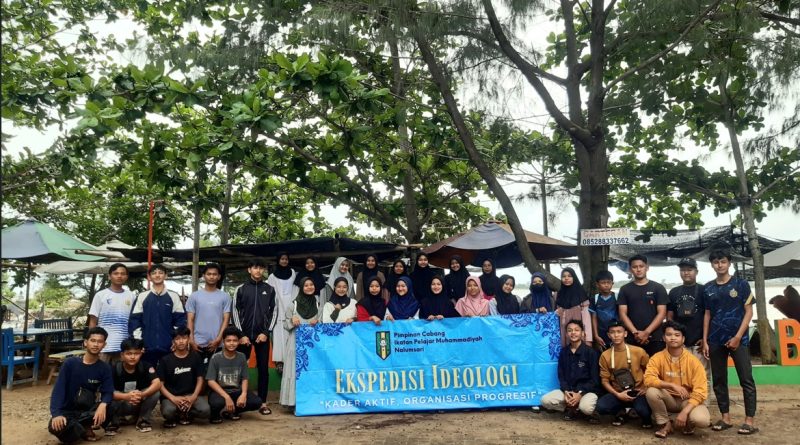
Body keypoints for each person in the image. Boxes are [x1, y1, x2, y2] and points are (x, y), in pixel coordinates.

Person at [702, 249, 758, 435]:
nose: (720, 265)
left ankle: (749, 421)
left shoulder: (741, 284)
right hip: (715, 339)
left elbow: (749, 312)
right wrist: (705, 340)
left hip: (739, 339)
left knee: (746, 379)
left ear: (729, 263)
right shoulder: (708, 288)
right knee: (719, 380)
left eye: (723, 261)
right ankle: (725, 418)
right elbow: (707, 314)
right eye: (716, 262)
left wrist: (737, 337)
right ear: (712, 264)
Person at [644, 320, 711, 439]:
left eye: (677, 335)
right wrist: (671, 385)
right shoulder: (657, 358)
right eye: (669, 335)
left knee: (702, 420)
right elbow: (648, 379)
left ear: (683, 339)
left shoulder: (694, 361)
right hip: (668, 398)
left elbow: (701, 391)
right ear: (664, 338)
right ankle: (665, 424)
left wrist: (685, 412)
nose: (673, 338)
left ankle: (688, 424)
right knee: (651, 391)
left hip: (687, 400)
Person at [48, 327, 114, 443]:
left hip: (87, 411)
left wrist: (103, 405)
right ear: (85, 342)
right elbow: (59, 390)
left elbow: (108, 391)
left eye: (100, 342)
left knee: (111, 406)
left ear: (104, 345)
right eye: (93, 340)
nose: (96, 344)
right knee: (56, 428)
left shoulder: (105, 368)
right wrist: (56, 414)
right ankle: (82, 429)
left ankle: (84, 426)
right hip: (67, 411)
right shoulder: (70, 364)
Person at [231, 258, 276, 416]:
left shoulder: (270, 289)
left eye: (261, 268)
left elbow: (274, 312)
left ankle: (262, 403)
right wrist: (241, 335)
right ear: (249, 270)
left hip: (262, 337)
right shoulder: (241, 289)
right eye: (255, 267)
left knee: (263, 370)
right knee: (239, 370)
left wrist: (266, 332)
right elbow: (235, 312)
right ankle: (236, 403)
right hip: (243, 337)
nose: (258, 271)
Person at [667, 258, 710, 399]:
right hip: (680, 344)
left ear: (696, 272)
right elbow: (670, 317)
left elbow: (710, 316)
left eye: (689, 270)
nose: (686, 273)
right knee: (680, 376)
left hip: (699, 343)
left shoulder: (704, 290)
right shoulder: (674, 292)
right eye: (683, 270)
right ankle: (682, 404)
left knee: (703, 376)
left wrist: (705, 339)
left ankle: (703, 405)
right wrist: (673, 338)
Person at [540, 320, 599, 422]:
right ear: (566, 334)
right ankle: (571, 408)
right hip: (569, 391)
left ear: (582, 333)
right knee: (545, 400)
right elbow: (561, 376)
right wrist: (566, 391)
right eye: (570, 330)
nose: (573, 333)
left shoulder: (591, 352)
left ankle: (582, 409)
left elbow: (595, 380)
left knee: (586, 408)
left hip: (586, 392)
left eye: (577, 330)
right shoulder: (563, 352)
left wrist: (580, 394)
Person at [596, 321, 652, 428]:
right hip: (619, 392)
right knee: (601, 407)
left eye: (619, 332)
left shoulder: (638, 351)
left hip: (638, 392)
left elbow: (651, 372)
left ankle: (645, 417)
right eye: (612, 332)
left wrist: (646, 387)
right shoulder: (605, 355)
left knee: (643, 411)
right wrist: (617, 394)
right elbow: (604, 380)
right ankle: (621, 412)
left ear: (625, 334)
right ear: (608, 335)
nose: (616, 335)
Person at [129, 264, 187, 366]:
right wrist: (138, 342)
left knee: (167, 374)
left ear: (166, 276)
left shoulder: (173, 296)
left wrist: (176, 341)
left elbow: (180, 320)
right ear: (149, 277)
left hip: (168, 347)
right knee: (149, 374)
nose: (157, 275)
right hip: (146, 347)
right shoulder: (142, 296)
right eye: (154, 273)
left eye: (160, 273)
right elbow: (135, 321)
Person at [206, 326, 263, 423]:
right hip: (219, 392)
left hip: (236, 391)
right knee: (216, 403)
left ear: (239, 341)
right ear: (223, 341)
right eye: (228, 341)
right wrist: (226, 397)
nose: (231, 343)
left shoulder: (242, 357)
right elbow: (210, 381)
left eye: (235, 340)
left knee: (257, 402)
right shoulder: (216, 358)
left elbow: (245, 378)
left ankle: (232, 411)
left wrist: (243, 394)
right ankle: (215, 414)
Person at [280, 277, 321, 409]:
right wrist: (292, 320)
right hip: (295, 344)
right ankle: (293, 402)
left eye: (311, 284)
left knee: (311, 370)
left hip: (313, 345)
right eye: (306, 285)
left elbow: (323, 322)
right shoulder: (293, 305)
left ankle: (311, 402)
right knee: (294, 370)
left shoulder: (318, 304)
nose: (309, 287)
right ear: (301, 288)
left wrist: (318, 322)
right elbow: (285, 325)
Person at [157, 326, 210, 428]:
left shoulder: (195, 357)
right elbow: (160, 385)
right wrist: (173, 398)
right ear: (173, 341)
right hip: (172, 396)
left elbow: (200, 379)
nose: (181, 341)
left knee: (205, 411)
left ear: (189, 339)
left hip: (191, 395)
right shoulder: (165, 360)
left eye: (184, 338)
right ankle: (178, 414)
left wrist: (193, 396)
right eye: (177, 339)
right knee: (168, 412)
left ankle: (187, 413)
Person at [107, 338, 161, 434]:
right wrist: (126, 396)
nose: (133, 357)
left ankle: (143, 421)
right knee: (109, 395)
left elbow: (157, 383)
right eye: (129, 354)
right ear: (122, 355)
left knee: (155, 392)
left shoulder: (146, 366)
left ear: (141, 354)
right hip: (121, 404)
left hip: (138, 402)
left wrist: (142, 394)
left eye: (136, 353)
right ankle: (114, 423)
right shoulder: (114, 369)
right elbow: (106, 391)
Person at [618, 255, 669, 356]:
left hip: (655, 338)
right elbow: (622, 314)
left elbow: (662, 313)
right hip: (632, 338)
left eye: (641, 266)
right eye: (635, 267)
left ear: (647, 267)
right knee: (633, 366)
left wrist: (647, 332)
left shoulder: (658, 288)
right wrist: (635, 333)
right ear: (630, 269)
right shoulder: (624, 289)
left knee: (656, 366)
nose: (638, 269)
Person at [186, 263, 231, 371]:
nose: (211, 276)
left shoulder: (225, 297)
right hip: (197, 343)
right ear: (203, 276)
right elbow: (190, 319)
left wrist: (219, 339)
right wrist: (191, 340)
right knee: (197, 374)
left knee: (215, 374)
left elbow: (226, 319)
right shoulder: (194, 296)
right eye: (209, 274)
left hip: (217, 343)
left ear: (219, 277)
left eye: (214, 274)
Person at [88, 263, 135, 362]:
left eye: (122, 274)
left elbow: (135, 321)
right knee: (100, 370)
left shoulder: (131, 296)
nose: (119, 276)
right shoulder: (100, 295)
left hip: (124, 345)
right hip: (103, 345)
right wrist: (92, 341)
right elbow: (93, 321)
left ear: (126, 277)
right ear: (109, 276)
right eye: (116, 273)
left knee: (121, 371)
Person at [267, 253, 296, 373]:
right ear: (278, 260)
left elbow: (295, 289)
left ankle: (291, 361)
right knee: (279, 335)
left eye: (286, 259)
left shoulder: (292, 273)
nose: (284, 261)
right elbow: (271, 294)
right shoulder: (272, 277)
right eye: (282, 259)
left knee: (291, 334)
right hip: (278, 308)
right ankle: (280, 362)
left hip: (291, 306)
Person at [556, 268, 593, 346]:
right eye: (563, 276)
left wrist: (588, 338)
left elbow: (586, 319)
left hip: (580, 334)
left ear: (574, 278)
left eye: (569, 276)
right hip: (565, 334)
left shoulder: (581, 295)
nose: (566, 278)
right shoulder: (559, 295)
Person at [590, 270, 618, 350]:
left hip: (615, 333)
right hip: (601, 334)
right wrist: (596, 335)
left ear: (612, 283)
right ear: (597, 284)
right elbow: (594, 317)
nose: (606, 285)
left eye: (608, 282)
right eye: (603, 283)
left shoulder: (617, 297)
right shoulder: (595, 299)